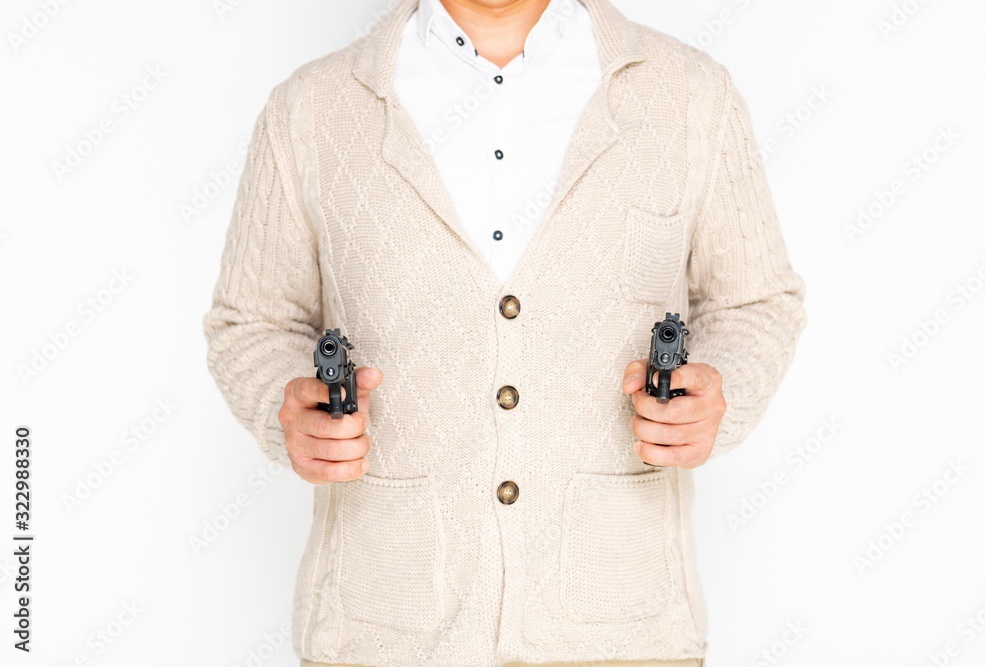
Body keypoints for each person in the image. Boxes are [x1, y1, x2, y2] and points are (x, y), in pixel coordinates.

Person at [202, 0, 807, 665]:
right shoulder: (310, 109)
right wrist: (285, 407)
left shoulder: (691, 95)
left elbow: (755, 301)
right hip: (382, 630)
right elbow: (251, 322)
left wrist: (719, 393)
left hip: (626, 626)